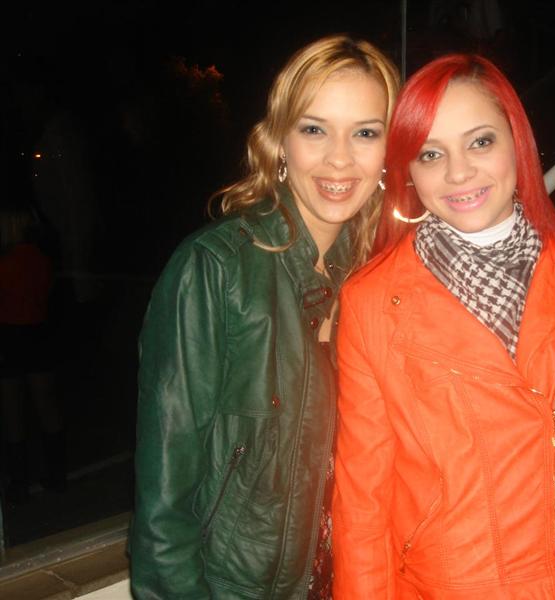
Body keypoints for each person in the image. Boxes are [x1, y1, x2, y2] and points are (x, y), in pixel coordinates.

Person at [332, 54, 555, 599]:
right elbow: (362, 505)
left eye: (480, 142)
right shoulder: (371, 302)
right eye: (431, 153)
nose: (458, 173)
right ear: (409, 171)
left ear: (517, 144)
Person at [129, 35, 399, 599]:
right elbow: (163, 512)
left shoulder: (373, 280)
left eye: (365, 133)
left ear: (387, 151)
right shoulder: (215, 270)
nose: (340, 158)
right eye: (314, 129)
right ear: (279, 141)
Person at [0, 203, 64, 505]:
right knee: (46, 404)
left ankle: (19, 482)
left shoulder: (7, 261)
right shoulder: (40, 256)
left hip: (10, 336)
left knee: (13, 409)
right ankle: (56, 474)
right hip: (37, 333)